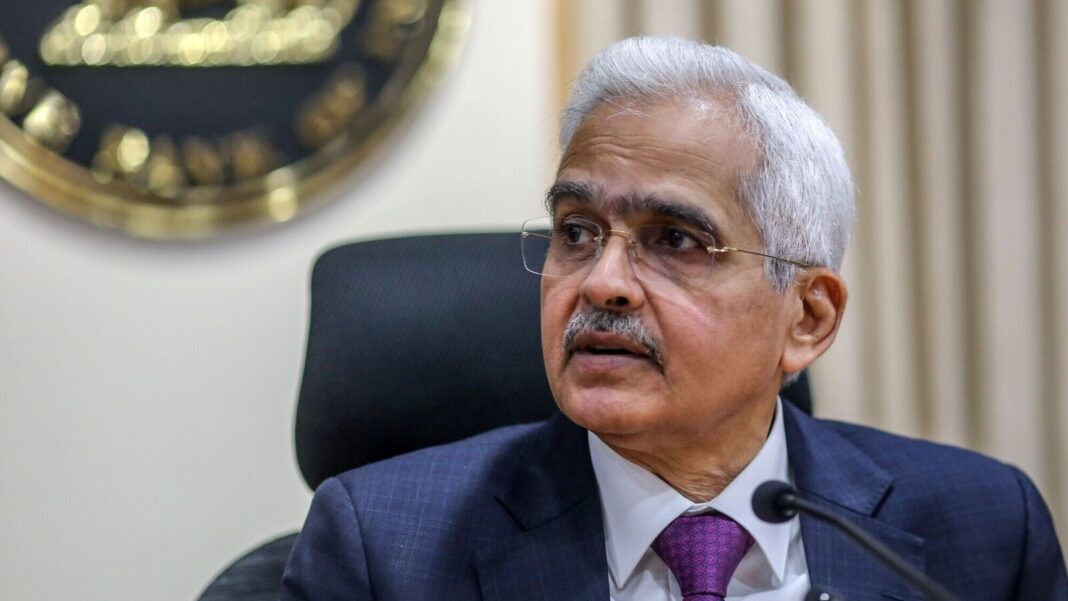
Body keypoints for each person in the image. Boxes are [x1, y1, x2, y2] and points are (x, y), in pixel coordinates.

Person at [280, 37, 1067, 600]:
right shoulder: (386, 548)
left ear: (808, 318)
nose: (603, 282)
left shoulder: (982, 530)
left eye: (676, 240)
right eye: (577, 232)